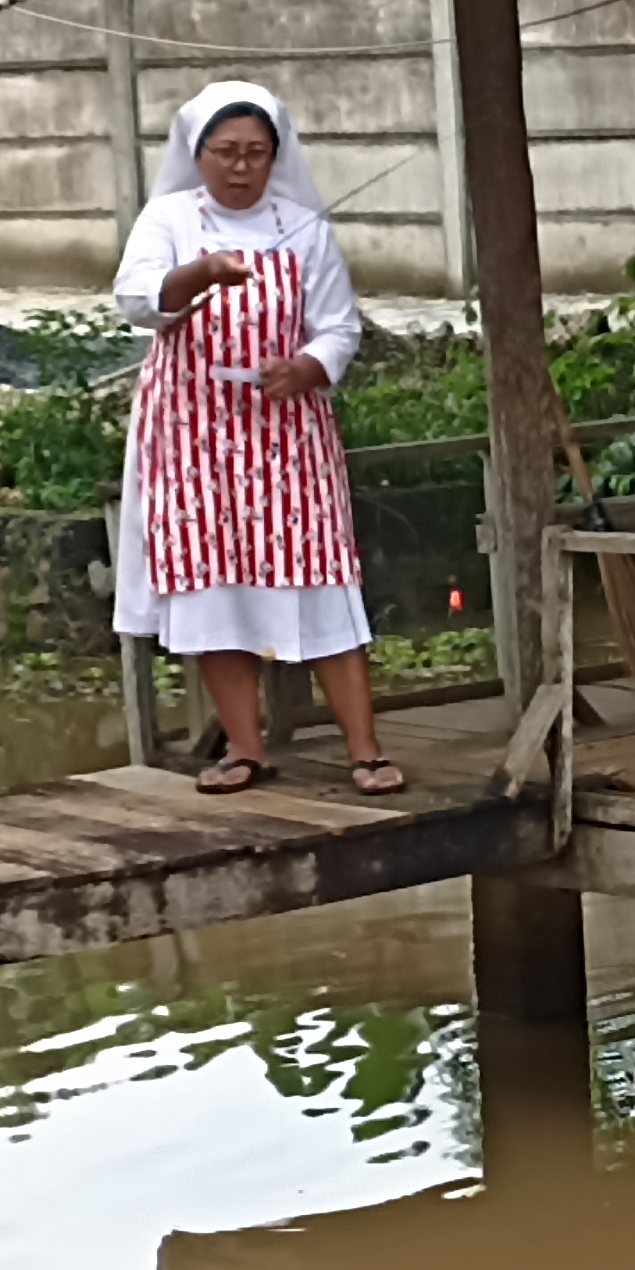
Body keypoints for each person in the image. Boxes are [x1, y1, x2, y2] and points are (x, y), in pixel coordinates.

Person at [111, 82, 407, 798]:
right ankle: (245, 749)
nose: (240, 168)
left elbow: (339, 325)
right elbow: (136, 298)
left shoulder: (304, 226)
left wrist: (306, 367)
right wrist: (202, 273)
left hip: (286, 430)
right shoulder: (170, 218)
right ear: (197, 153)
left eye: (256, 154)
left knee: (320, 581)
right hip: (193, 431)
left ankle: (364, 751)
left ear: (277, 156)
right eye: (225, 153)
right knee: (214, 589)